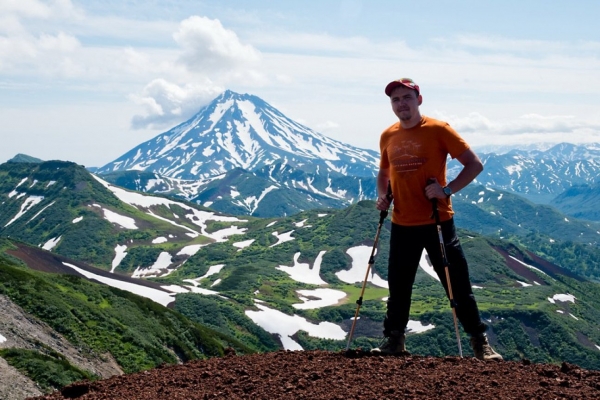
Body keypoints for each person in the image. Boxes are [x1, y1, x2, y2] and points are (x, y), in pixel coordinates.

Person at [371, 78, 502, 361]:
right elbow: (383, 174)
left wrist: (446, 190)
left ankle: (480, 343)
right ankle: (394, 341)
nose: (401, 104)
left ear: (419, 99)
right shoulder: (388, 136)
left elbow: (474, 164)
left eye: (406, 97)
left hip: (438, 221)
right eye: (395, 100)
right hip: (402, 223)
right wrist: (383, 196)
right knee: (398, 286)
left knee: (457, 284)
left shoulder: (438, 129)